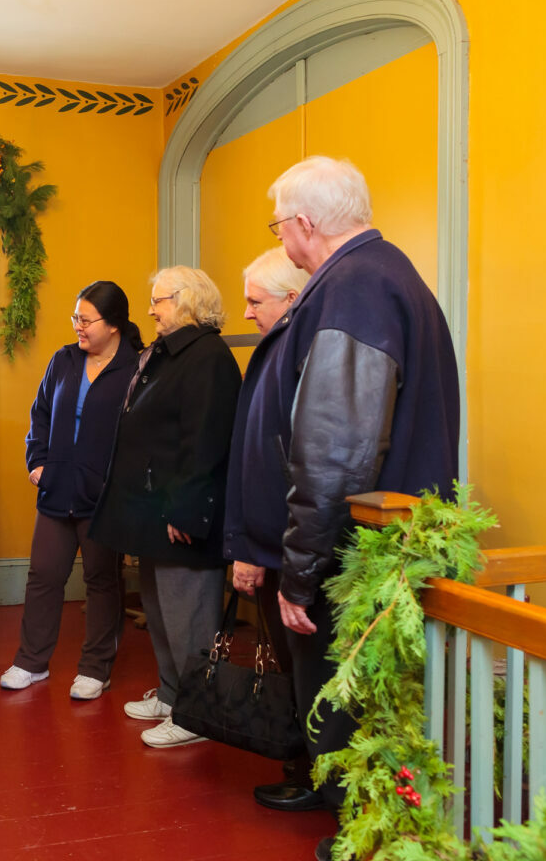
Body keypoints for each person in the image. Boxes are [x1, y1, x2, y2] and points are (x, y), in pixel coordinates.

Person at [246, 157, 459, 861]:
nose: (281, 239)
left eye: (279, 226)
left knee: (356, 692)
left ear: (304, 224)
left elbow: (337, 448)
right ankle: (341, 799)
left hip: (357, 548)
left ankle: (364, 828)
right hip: (374, 536)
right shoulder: (383, 272)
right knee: (345, 694)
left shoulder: (355, 287)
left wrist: (299, 572)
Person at [91, 266, 241, 747]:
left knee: (188, 614)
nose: (151, 309)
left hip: (182, 515)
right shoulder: (172, 353)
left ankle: (196, 713)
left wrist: (187, 509)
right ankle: (174, 693)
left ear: (188, 301)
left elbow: (206, 441)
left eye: (159, 300)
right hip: (153, 511)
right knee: (158, 608)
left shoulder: (209, 357)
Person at [0, 281, 144, 699]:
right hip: (56, 488)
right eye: (75, 318)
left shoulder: (134, 368)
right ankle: (31, 662)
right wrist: (37, 462)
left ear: (114, 325)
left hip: (103, 498)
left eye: (86, 319)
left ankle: (96, 669)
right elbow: (40, 413)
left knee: (101, 580)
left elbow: (138, 435)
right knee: (43, 575)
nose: (78, 326)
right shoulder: (63, 359)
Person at [220, 247, 312, 809]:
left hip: (284, 546)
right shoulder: (277, 349)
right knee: (288, 663)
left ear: (292, 298)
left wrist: (252, 548)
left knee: (300, 668)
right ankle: (303, 764)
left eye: (256, 301)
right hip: (272, 541)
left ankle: (310, 772)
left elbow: (286, 465)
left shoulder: (295, 352)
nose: (247, 312)